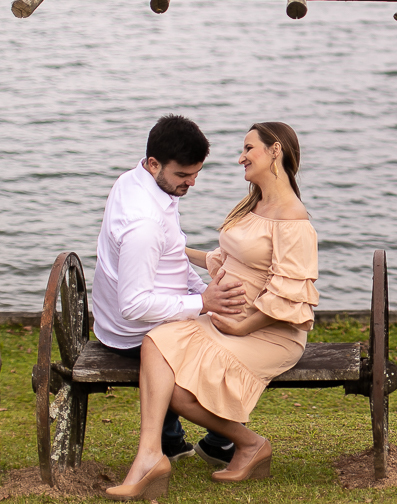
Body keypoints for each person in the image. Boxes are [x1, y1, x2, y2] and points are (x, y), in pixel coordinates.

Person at [105, 122, 319, 501]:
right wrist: (158, 246)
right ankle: (150, 456)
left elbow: (290, 296)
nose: (241, 157)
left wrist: (241, 327)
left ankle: (250, 445)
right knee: (155, 340)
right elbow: (226, 260)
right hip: (227, 316)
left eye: (248, 148)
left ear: (275, 151)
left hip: (268, 330)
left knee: (182, 391)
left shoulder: (293, 217)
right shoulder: (253, 204)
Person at [91, 115, 243, 470]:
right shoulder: (143, 223)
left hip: (119, 318)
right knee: (237, 344)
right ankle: (223, 441)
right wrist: (202, 303)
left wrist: (201, 286)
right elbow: (134, 306)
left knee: (229, 316)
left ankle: (171, 440)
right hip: (131, 333)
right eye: (183, 175)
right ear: (154, 163)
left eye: (196, 174)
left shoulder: (137, 180)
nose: (191, 183)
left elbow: (168, 258)